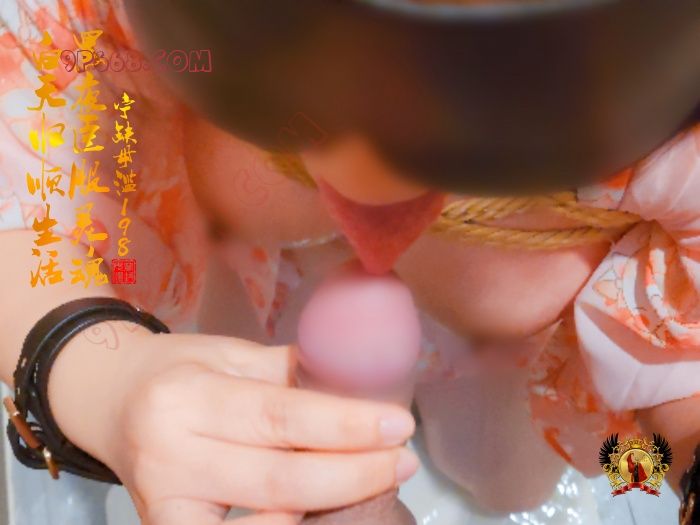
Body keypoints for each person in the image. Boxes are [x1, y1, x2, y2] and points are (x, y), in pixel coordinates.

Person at [0, 1, 698, 524]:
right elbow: (27, 177)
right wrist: (104, 374)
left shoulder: (669, 140)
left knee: (505, 479)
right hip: (257, 319)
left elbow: (676, 382)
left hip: (508, 368)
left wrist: (678, 466)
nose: (371, 183)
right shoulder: (139, 35)